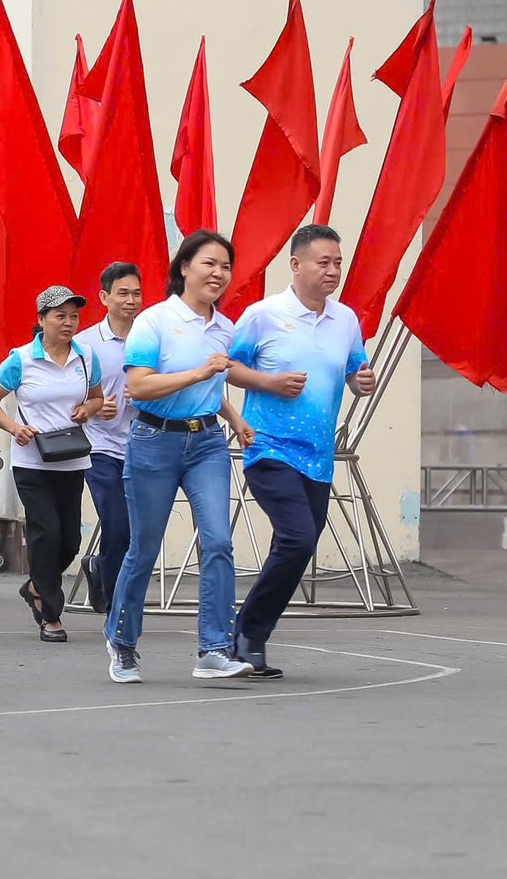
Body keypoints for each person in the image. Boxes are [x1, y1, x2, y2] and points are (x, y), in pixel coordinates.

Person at [225, 224, 376, 679]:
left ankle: (247, 635)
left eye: (337, 262)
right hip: (268, 448)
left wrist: (360, 382)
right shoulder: (263, 315)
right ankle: (248, 635)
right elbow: (225, 367)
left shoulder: (346, 320)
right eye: (323, 262)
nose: (333, 271)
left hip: (318, 456)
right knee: (298, 538)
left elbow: (354, 371)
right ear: (296, 264)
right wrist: (269, 383)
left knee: (298, 545)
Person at [109, 229, 253, 685]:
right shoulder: (154, 322)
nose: (219, 273)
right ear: (185, 267)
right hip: (154, 442)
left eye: (226, 266)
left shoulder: (226, 328)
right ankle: (123, 644)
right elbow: (139, 387)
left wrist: (232, 416)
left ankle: (214, 649)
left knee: (218, 541)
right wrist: (200, 372)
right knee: (144, 548)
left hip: (207, 442)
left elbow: (212, 384)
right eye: (209, 263)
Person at [0, 286, 104, 643]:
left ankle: (35, 586)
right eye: (60, 315)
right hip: (31, 461)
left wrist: (88, 409)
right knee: (46, 533)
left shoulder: (87, 357)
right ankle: (50, 614)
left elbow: (98, 397)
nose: (68, 323)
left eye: (73, 316)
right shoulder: (21, 359)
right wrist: (13, 427)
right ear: (41, 320)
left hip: (71, 460)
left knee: (70, 540)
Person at [73, 262, 142, 616]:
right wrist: (93, 407)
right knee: (117, 523)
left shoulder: (149, 338)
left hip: (143, 447)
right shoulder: (85, 344)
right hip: (99, 447)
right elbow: (65, 393)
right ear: (104, 297)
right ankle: (119, 606)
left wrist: (148, 396)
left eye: (136, 294)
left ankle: (102, 568)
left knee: (135, 530)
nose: (131, 301)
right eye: (123, 293)